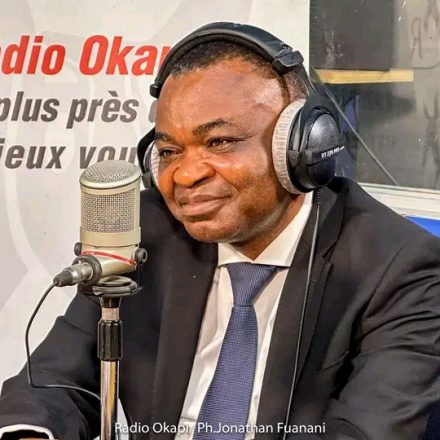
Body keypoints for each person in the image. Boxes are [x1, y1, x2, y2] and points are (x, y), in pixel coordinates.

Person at [0, 22, 440, 440]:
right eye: (169, 150)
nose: (185, 174)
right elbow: (52, 382)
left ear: (303, 147)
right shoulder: (146, 232)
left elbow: (369, 430)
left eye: (220, 142)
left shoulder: (399, 268)